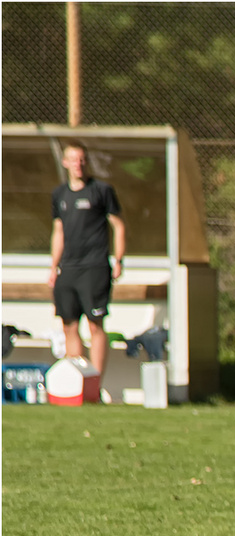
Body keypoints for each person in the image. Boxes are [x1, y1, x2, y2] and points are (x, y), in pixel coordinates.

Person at [47, 140, 126, 376]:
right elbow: (58, 231)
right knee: (69, 325)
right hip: (68, 268)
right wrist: (53, 266)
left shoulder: (101, 191)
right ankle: (78, 381)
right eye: (73, 160)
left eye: (82, 160)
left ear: (86, 162)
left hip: (95, 267)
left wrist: (119, 260)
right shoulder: (59, 195)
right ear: (65, 163)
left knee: (95, 325)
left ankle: (95, 385)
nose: (78, 164)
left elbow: (119, 227)